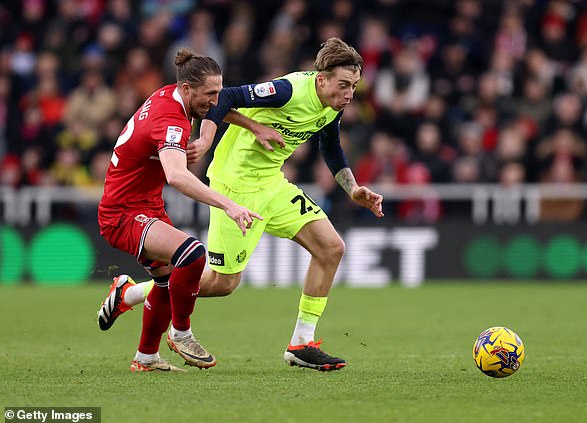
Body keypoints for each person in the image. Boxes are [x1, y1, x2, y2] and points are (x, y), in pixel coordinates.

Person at [99, 38, 384, 371]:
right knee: (223, 284)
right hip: (235, 185)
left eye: (354, 86)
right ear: (322, 79)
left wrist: (352, 189)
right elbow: (230, 97)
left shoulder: (333, 104)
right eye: (344, 85)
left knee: (331, 248)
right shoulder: (288, 90)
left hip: (272, 184)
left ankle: (301, 343)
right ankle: (131, 294)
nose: (349, 94)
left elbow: (331, 146)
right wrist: (205, 138)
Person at [97, 47, 263, 372]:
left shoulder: (172, 97)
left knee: (166, 281)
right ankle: (181, 332)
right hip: (123, 214)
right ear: (188, 89)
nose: (216, 101)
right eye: (210, 94)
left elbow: (218, 111)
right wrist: (229, 205)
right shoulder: (171, 118)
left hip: (146, 205)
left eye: (219, 91)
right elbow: (176, 176)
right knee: (192, 254)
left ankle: (146, 357)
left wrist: (245, 129)